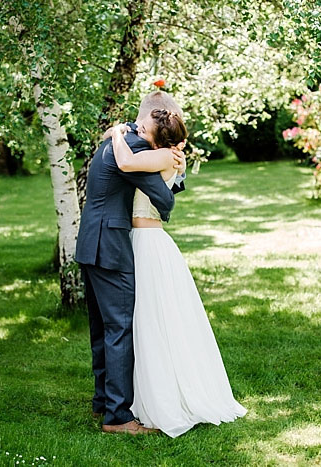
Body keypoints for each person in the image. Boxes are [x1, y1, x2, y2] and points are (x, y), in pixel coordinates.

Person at [110, 109, 247, 438]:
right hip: (146, 240)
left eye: (148, 128)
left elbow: (126, 162)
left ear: (159, 138)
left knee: (151, 319)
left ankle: (160, 398)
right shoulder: (170, 158)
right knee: (155, 318)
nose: (140, 131)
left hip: (146, 241)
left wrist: (116, 133)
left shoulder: (159, 158)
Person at [75, 91, 186, 435]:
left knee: (101, 329)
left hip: (90, 241)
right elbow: (164, 200)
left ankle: (101, 403)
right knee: (120, 328)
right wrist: (175, 169)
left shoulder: (114, 139)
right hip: (112, 246)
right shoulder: (134, 148)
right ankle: (119, 417)